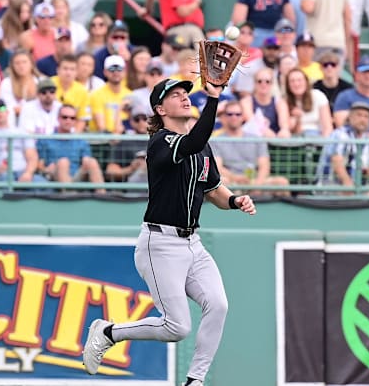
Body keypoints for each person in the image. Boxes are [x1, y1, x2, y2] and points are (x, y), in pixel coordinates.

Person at [82, 78, 256, 386]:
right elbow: (191, 142)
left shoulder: (202, 148)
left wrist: (234, 200)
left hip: (192, 243)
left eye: (186, 94)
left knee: (218, 304)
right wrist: (213, 99)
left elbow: (214, 191)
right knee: (178, 328)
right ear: (160, 109)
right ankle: (109, 332)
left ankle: (195, 381)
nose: (184, 98)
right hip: (159, 244)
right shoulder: (161, 142)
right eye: (175, 95)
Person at [210, 100, 290, 196]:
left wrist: (257, 186)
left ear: (243, 117)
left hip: (254, 180)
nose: (234, 117)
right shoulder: (216, 140)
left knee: (282, 182)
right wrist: (236, 178)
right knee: (221, 182)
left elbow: (264, 166)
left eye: (237, 114)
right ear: (224, 117)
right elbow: (218, 168)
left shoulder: (256, 139)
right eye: (230, 114)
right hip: (231, 182)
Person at [37, 104, 106, 193]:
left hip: (76, 176)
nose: (68, 121)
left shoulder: (81, 141)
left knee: (92, 162)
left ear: (75, 121)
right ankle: (70, 197)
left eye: (72, 118)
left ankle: (102, 197)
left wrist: (86, 162)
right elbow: (39, 165)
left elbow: (86, 160)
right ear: (58, 119)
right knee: (63, 162)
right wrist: (46, 169)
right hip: (54, 176)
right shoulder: (46, 140)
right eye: (65, 117)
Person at [0, 98, 45, 183]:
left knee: (43, 184)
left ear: (7, 112)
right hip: (0, 174)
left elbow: (32, 157)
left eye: (1, 109)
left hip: (23, 171)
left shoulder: (22, 132)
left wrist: (28, 173)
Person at [315, 101, 369, 193]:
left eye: (366, 116)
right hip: (330, 184)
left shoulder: (367, 139)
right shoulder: (340, 134)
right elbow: (336, 160)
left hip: (357, 185)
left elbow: (368, 167)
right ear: (350, 117)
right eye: (359, 115)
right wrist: (347, 182)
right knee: (348, 191)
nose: (363, 119)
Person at [333, 55, 369, 136]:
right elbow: (341, 123)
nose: (367, 76)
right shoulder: (344, 97)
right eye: (364, 72)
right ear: (356, 75)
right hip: (349, 141)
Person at [230, 0, 295, 47]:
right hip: (275, 36)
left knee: (254, 56)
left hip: (255, 35)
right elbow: (290, 18)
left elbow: (238, 20)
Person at [88, 54, 131, 133]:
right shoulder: (96, 95)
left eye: (119, 69)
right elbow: (101, 127)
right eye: (111, 69)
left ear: (124, 72)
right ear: (105, 72)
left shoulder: (130, 95)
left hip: (124, 138)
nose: (115, 72)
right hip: (102, 140)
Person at [105, 112, 149, 184]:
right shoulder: (124, 142)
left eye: (145, 118)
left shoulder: (159, 140)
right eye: (137, 119)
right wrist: (131, 168)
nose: (141, 122)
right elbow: (110, 171)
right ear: (131, 121)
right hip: (134, 185)